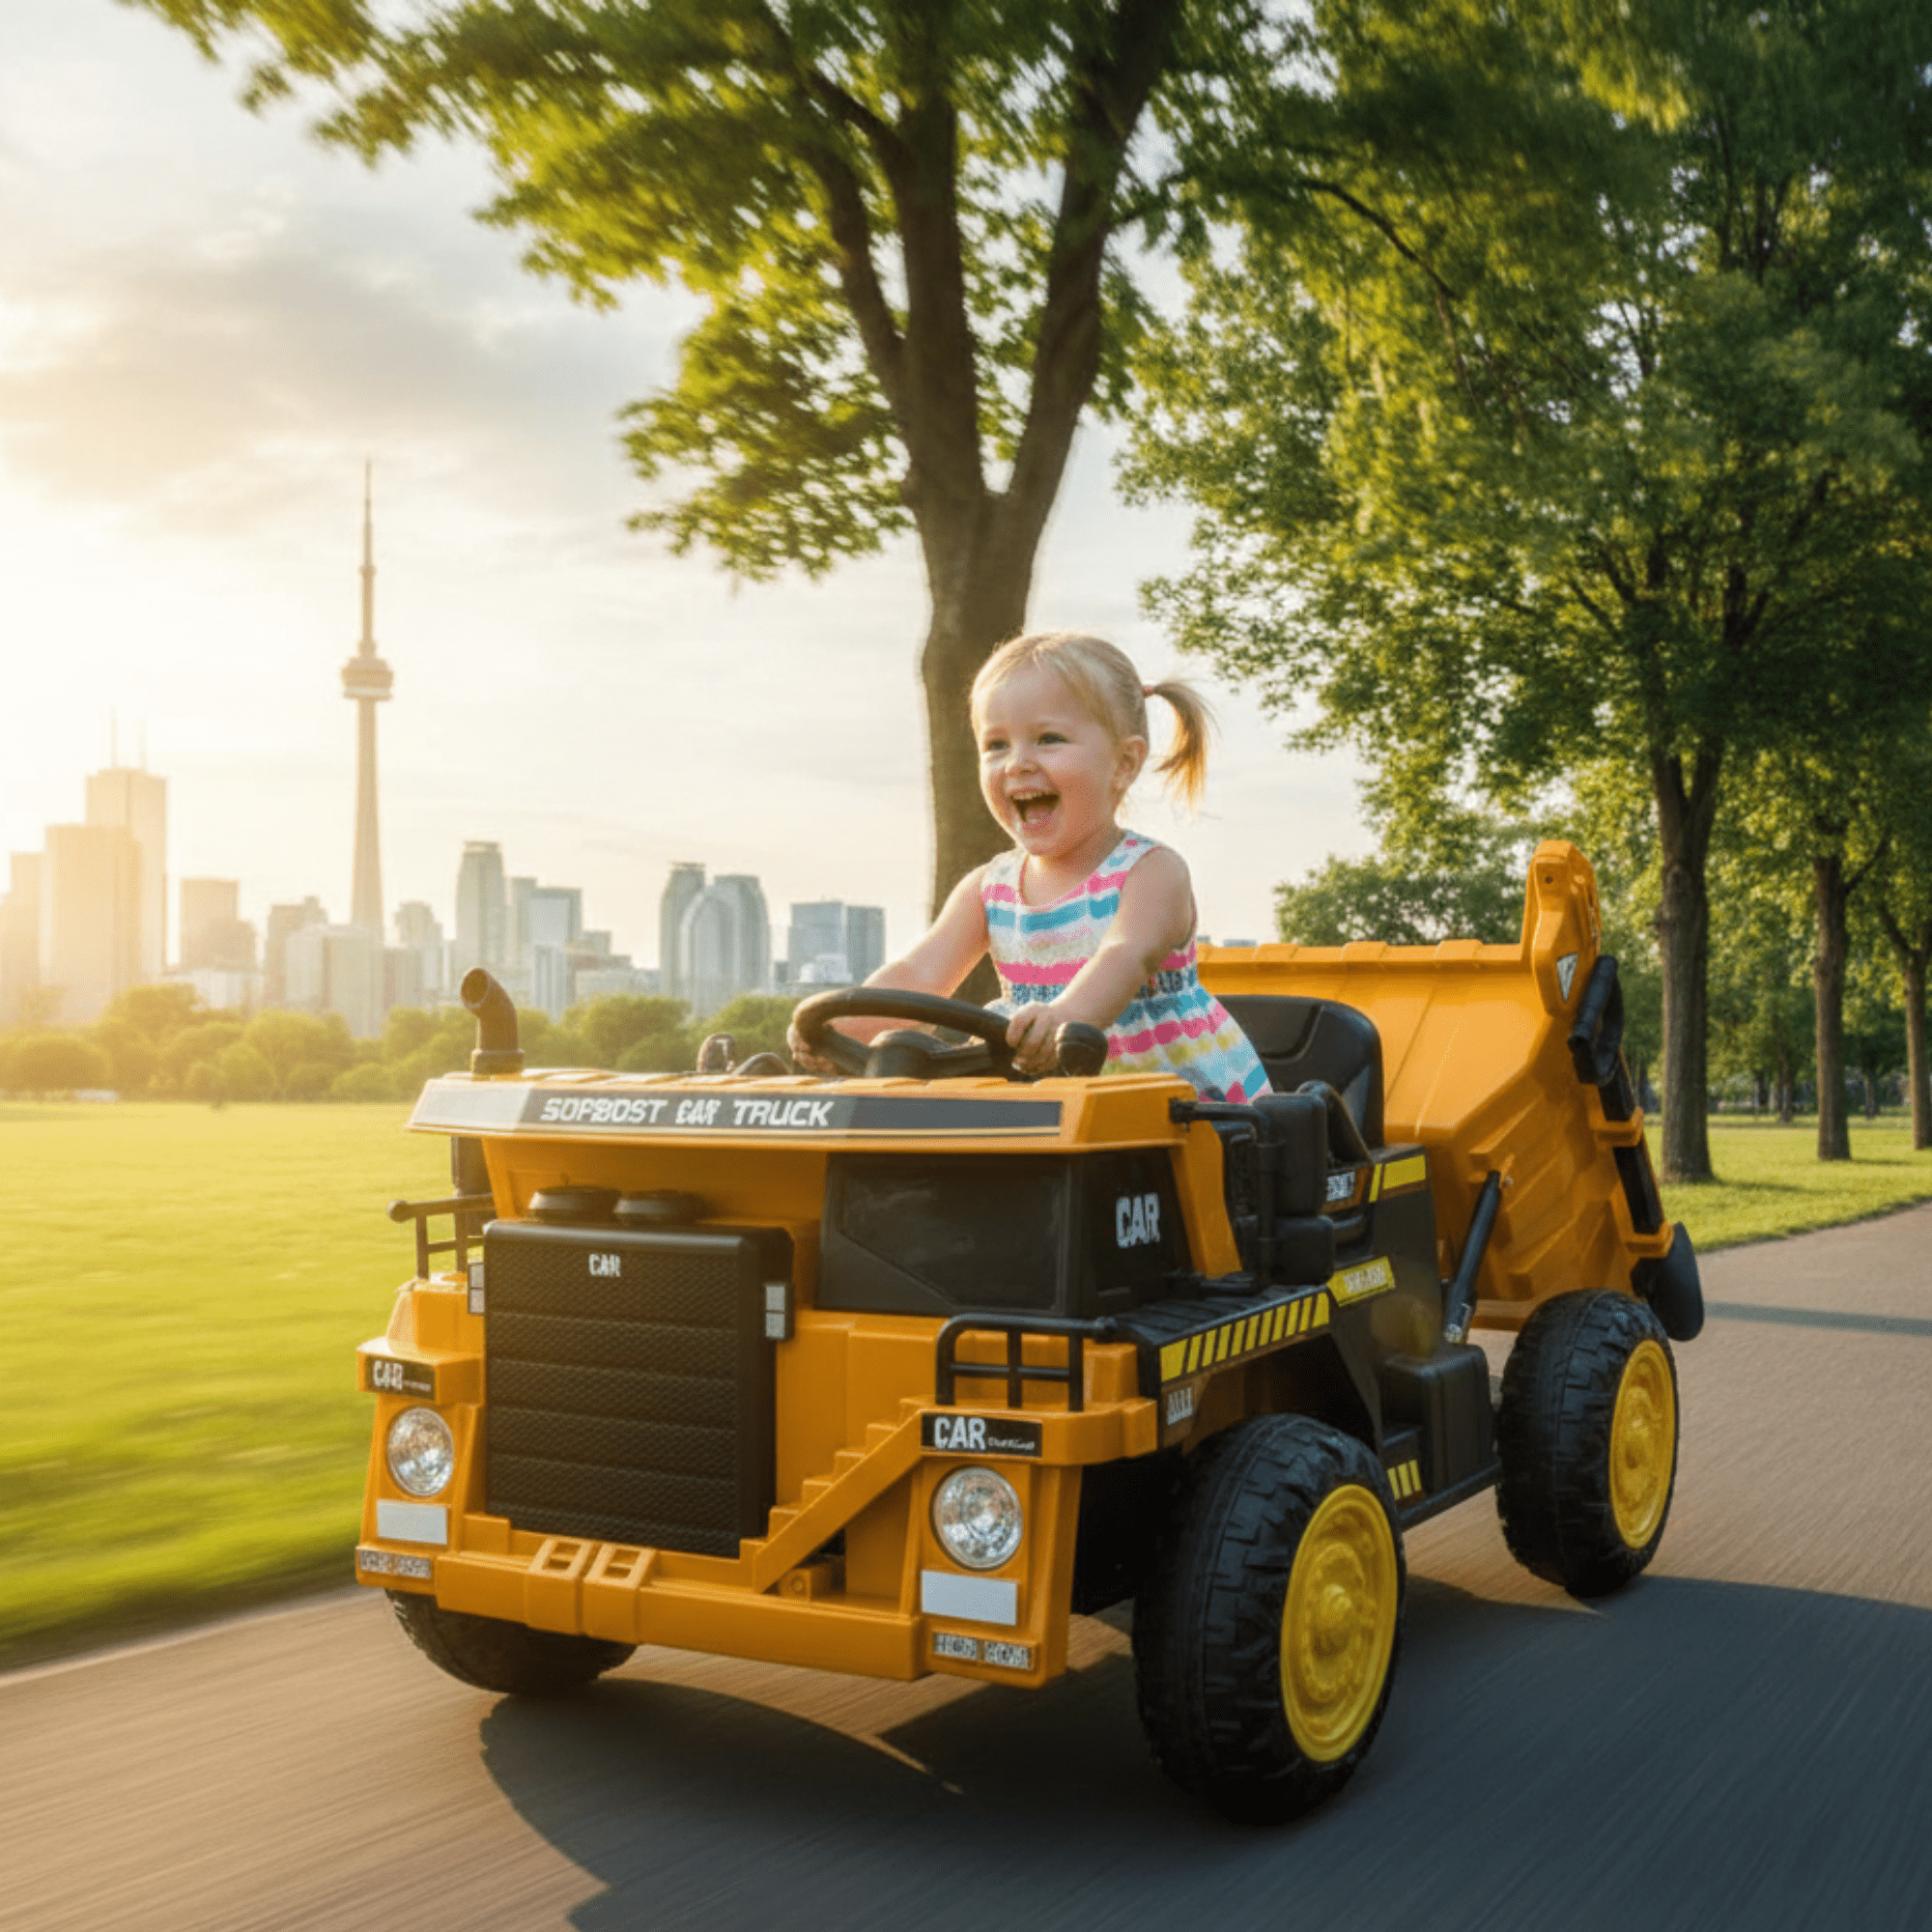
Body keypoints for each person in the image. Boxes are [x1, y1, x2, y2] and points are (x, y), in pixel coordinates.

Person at [789, 629, 1270, 1100]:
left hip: (1172, 1108)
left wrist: (1064, 1017)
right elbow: (919, 975)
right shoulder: (987, 889)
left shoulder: (1151, 872)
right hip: (1047, 1106)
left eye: (1048, 738)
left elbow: (1125, 954)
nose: (1017, 763)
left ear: (1124, 764)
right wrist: (842, 1027)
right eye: (996, 745)